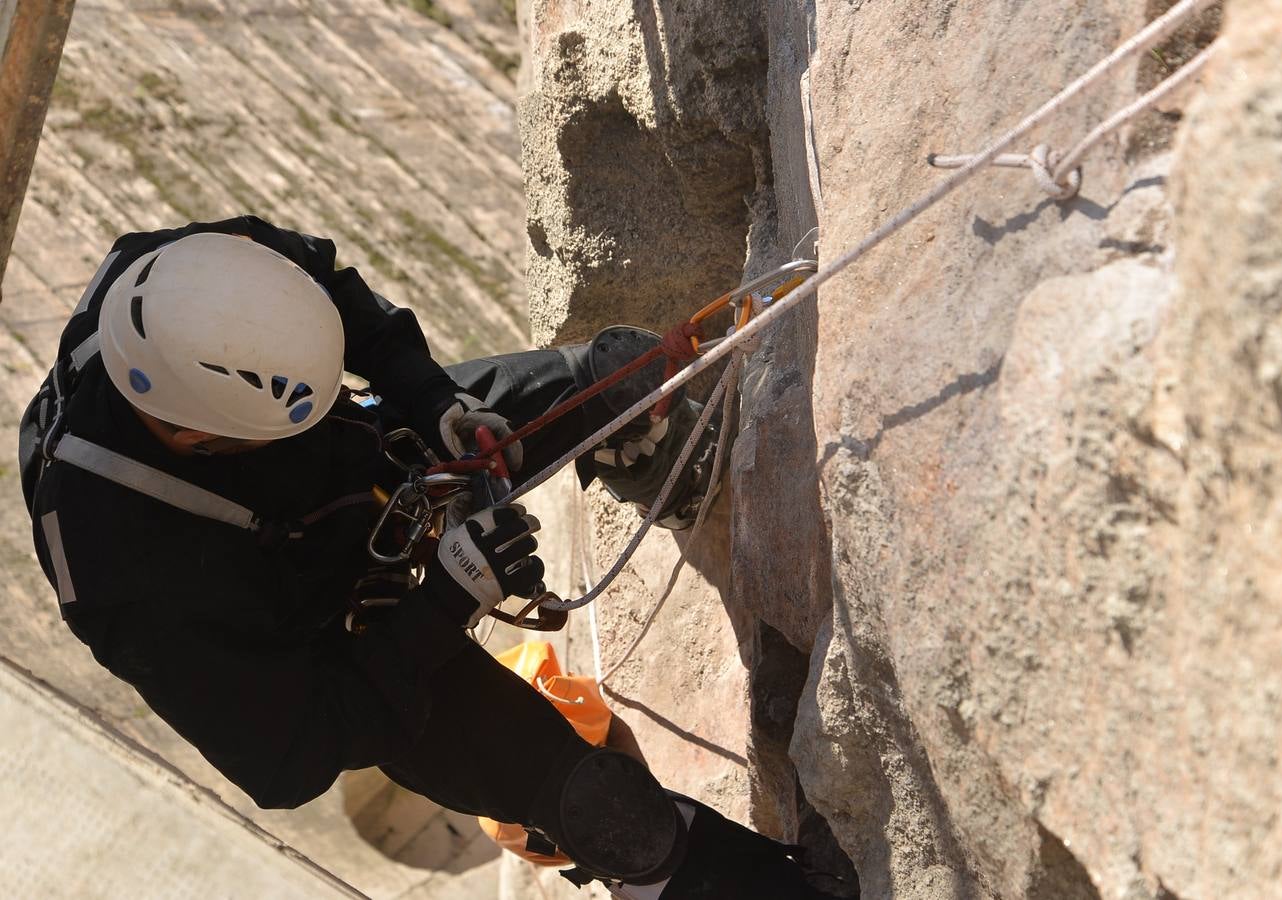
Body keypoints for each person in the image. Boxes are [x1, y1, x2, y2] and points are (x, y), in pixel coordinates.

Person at [18, 217, 839, 898]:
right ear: (201, 437)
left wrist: (433, 401)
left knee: (620, 376)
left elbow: (332, 289)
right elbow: (288, 757)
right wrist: (444, 602)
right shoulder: (124, 573)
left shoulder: (188, 277)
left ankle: (659, 464)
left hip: (362, 461)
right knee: (611, 816)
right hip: (350, 651)